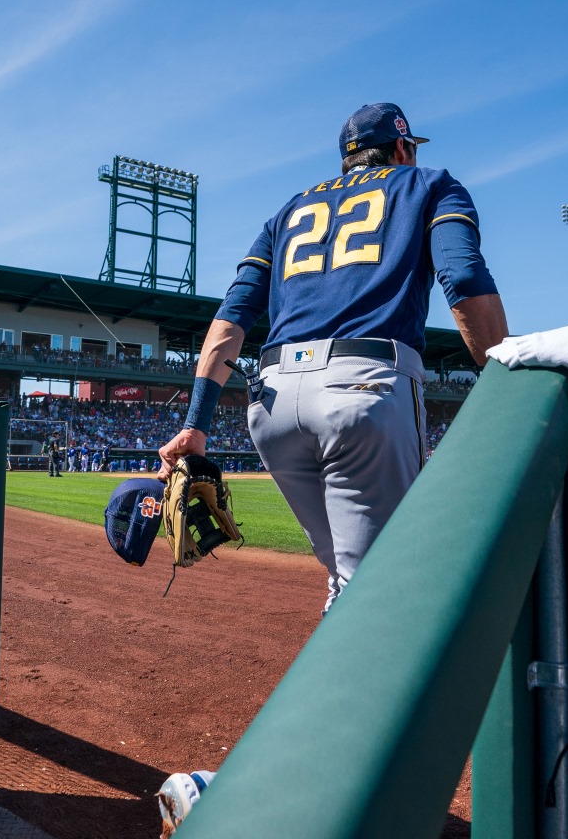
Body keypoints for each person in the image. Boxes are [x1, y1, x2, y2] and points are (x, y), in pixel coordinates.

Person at [158, 102, 509, 614]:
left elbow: (229, 323)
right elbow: (463, 276)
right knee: (385, 591)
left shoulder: (288, 211)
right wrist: (504, 377)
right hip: (363, 388)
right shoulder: (430, 184)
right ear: (402, 147)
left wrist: (196, 424)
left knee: (348, 582)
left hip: (273, 404)